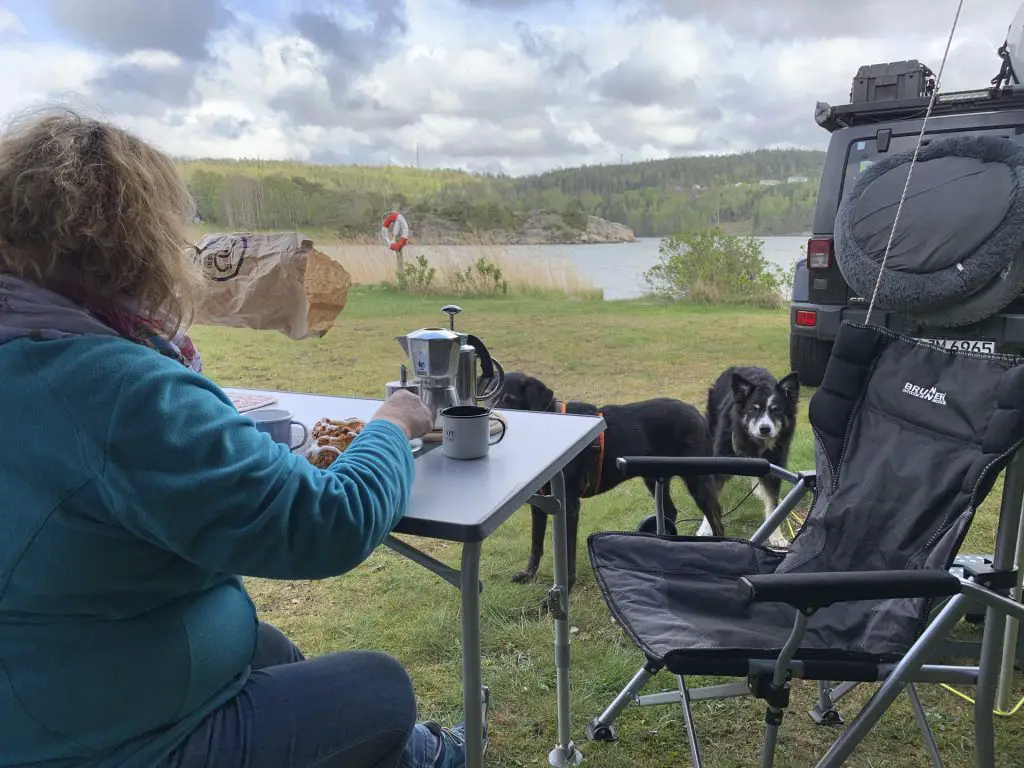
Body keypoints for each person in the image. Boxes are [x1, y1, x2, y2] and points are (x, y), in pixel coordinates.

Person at [0, 107, 483, 768]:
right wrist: (394, 425)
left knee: (271, 649)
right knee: (380, 690)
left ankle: (412, 755)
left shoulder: (34, 350)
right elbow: (328, 520)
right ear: (134, 240)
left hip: (61, 675)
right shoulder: (119, 389)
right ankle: (432, 756)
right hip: (104, 738)